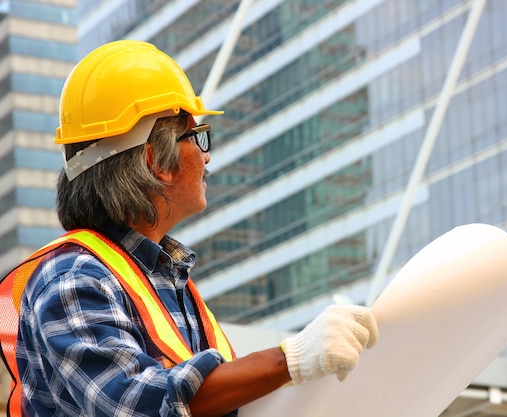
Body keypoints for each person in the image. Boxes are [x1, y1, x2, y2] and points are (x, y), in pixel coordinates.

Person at [3, 40, 378, 417]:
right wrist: (289, 361)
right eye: (197, 137)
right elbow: (136, 403)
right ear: (155, 161)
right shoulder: (74, 278)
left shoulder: (163, 279)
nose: (207, 154)